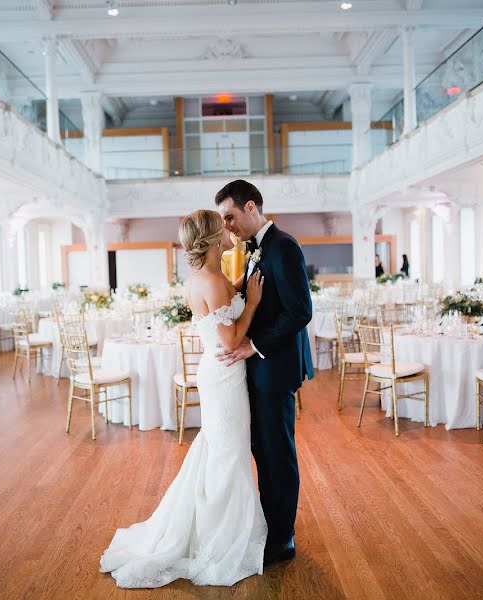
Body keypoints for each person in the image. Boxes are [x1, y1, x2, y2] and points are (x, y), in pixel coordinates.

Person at [100, 209, 268, 588]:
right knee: (230, 454)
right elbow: (230, 339)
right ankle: (219, 537)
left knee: (220, 450)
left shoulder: (205, 278)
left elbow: (222, 303)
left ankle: (211, 524)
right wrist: (253, 301)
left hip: (215, 373)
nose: (229, 230)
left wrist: (239, 286)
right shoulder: (213, 282)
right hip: (224, 374)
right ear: (211, 240)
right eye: (221, 226)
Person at [214, 179, 314, 568]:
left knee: (277, 455)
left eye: (231, 217)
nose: (229, 227)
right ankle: (271, 526)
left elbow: (300, 311)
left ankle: (283, 536)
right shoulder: (256, 249)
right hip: (258, 368)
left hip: (275, 367)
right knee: (262, 450)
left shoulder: (283, 246)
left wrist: (253, 346)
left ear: (251, 207)